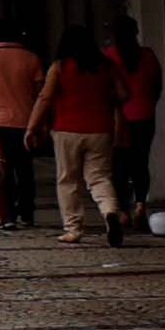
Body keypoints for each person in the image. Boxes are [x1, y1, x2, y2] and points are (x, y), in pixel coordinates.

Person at [44, 27, 128, 244]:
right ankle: (110, 212)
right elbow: (124, 94)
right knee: (100, 177)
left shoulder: (60, 67)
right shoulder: (107, 66)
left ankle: (73, 229)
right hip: (100, 129)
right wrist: (105, 103)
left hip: (66, 129)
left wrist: (33, 126)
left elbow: (46, 98)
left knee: (68, 179)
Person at [0, 27, 50, 227]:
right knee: (25, 170)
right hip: (26, 122)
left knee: (1, 167)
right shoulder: (32, 59)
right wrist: (42, 124)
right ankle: (27, 213)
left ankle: (8, 216)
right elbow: (41, 93)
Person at [107, 17, 165, 224]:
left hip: (118, 119)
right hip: (144, 115)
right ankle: (141, 203)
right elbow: (157, 86)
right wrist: (147, 103)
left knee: (119, 166)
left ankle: (123, 210)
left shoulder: (108, 56)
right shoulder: (148, 55)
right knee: (141, 162)